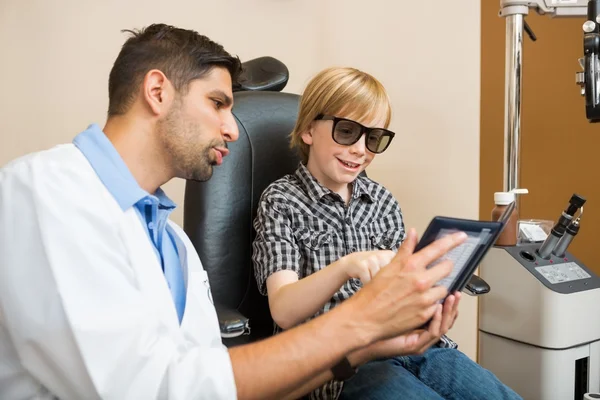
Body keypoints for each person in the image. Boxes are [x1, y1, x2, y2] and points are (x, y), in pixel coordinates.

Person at [0, 24, 467, 400]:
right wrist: (360, 323)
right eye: (218, 104)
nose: (233, 128)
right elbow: (144, 388)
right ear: (158, 92)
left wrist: (361, 350)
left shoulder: (175, 245)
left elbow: (217, 380)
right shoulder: (48, 191)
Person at [252, 67, 522, 400]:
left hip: (414, 347)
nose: (360, 150)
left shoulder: (382, 201)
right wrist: (346, 266)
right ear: (308, 129)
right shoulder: (281, 200)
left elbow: (402, 288)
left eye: (374, 138)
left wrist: (431, 296)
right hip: (342, 365)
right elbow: (284, 308)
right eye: (347, 131)